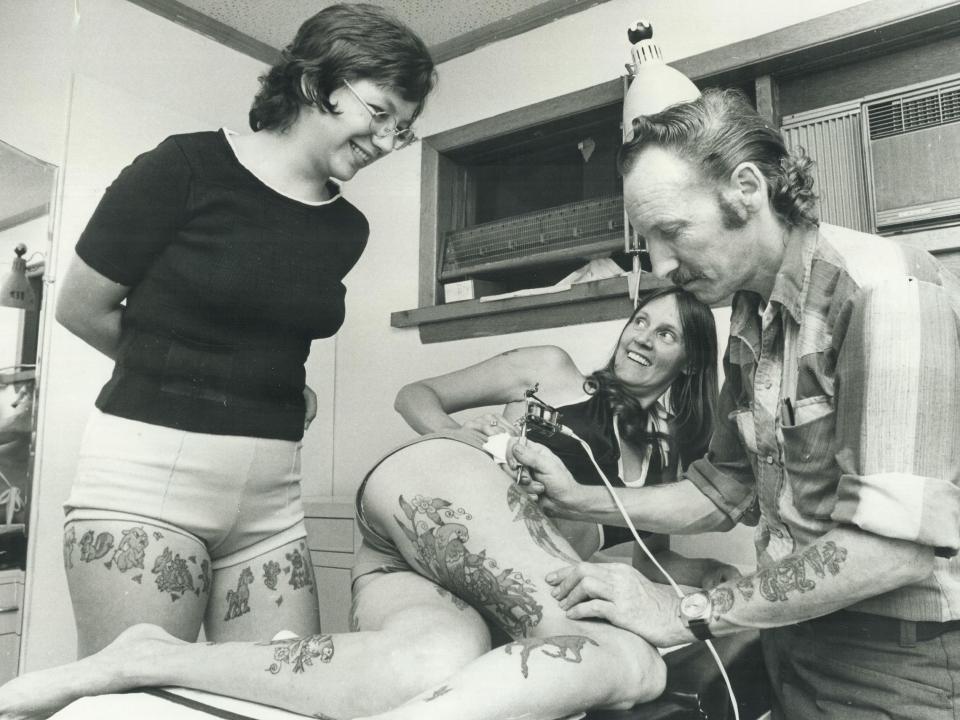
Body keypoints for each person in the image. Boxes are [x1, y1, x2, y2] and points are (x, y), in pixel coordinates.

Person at [519, 88, 960, 719]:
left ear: (746, 189)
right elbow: (722, 491)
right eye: (649, 242)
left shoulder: (885, 292)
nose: (662, 264)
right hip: (797, 637)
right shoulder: (754, 315)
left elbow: (894, 547)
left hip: (895, 663)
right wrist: (576, 498)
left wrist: (687, 611)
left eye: (672, 232)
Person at [54, 3, 436, 656]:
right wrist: (202, 376)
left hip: (271, 506)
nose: (390, 140)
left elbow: (269, 335)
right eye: (381, 114)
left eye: (403, 129)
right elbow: (80, 307)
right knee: (143, 701)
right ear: (320, 84)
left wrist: (277, 388)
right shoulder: (182, 168)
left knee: (282, 695)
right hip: (144, 487)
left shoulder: (346, 228)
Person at [0, 425, 669, 720]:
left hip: (414, 568)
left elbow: (690, 561)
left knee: (427, 664)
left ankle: (148, 656)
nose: (650, 337)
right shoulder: (558, 378)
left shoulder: (656, 517)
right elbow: (422, 394)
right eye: (647, 319)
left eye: (672, 333)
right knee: (635, 662)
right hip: (442, 485)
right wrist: (482, 443)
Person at [395, 286, 738, 588]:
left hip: (537, 587)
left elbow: (649, 559)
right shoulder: (549, 371)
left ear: (690, 363)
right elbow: (413, 395)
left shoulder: (667, 447)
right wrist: (465, 441)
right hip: (466, 553)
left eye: (666, 334)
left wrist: (711, 571)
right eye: (640, 321)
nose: (642, 337)